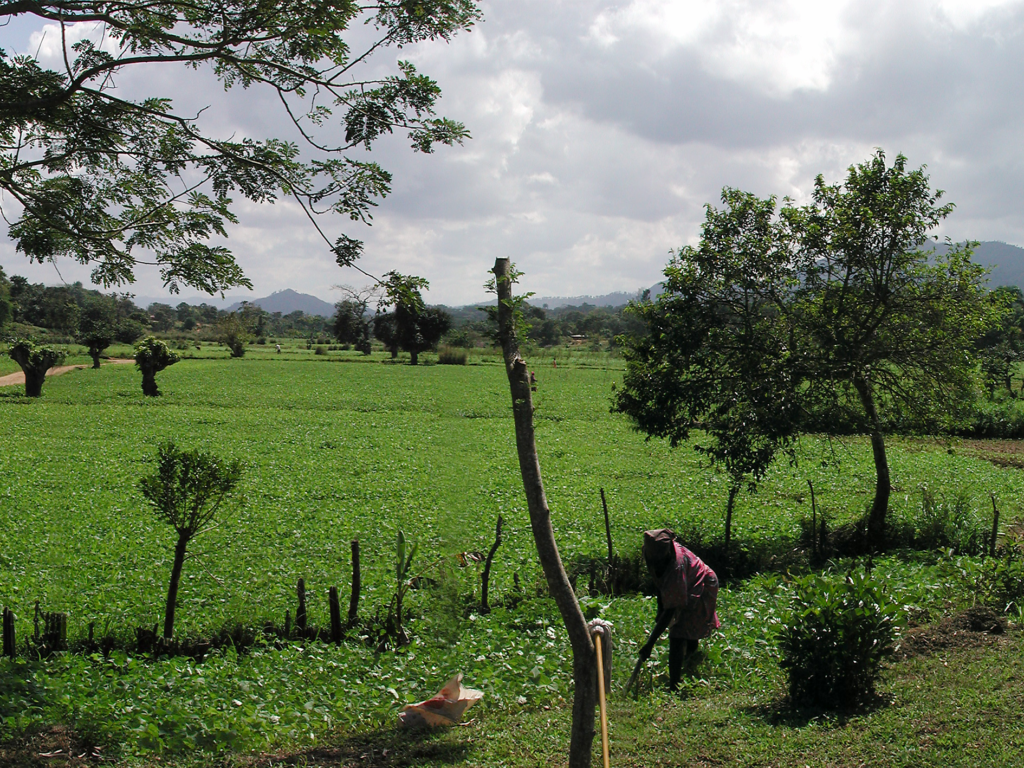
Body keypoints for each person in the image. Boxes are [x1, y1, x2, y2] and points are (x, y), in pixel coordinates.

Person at [635, 528, 720, 690]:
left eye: (659, 559)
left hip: (703, 585)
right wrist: (660, 607)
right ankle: (690, 659)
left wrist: (649, 644)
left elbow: (672, 610)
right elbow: (659, 581)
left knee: (679, 633)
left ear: (666, 554)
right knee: (684, 629)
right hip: (687, 582)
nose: (655, 561)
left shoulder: (676, 567)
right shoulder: (650, 554)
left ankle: (674, 686)